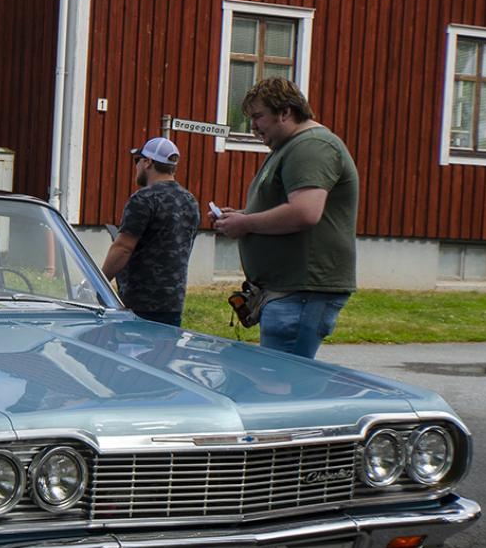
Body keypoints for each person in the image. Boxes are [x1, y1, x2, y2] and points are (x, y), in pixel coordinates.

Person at [213, 77, 358, 359]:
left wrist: (245, 223)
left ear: (285, 112)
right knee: (278, 377)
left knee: (281, 380)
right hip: (288, 292)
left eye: (258, 116)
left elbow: (305, 212)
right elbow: (289, 206)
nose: (253, 126)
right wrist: (241, 216)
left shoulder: (312, 146)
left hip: (301, 292)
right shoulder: (289, 146)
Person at [101, 136, 199, 326]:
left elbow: (123, 248)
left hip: (139, 304)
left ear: (148, 162)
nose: (136, 166)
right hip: (173, 303)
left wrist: (98, 283)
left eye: (137, 160)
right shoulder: (190, 201)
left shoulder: (144, 198)